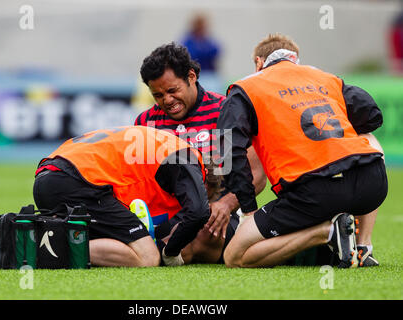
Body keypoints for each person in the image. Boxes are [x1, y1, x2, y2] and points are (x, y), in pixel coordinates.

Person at [218, 33, 388, 268]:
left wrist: (248, 209)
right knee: (367, 138)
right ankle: (362, 247)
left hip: (312, 193)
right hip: (371, 185)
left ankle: (326, 232)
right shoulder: (323, 77)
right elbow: (371, 115)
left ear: (259, 63)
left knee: (234, 257)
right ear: (294, 59)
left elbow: (229, 149)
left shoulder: (246, 87)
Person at [135, 42, 267, 264]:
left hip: (217, 217)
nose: (167, 100)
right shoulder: (146, 122)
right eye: (157, 95)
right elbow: (140, 182)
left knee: (205, 230)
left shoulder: (226, 111)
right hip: (169, 218)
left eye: (172, 90)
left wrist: (226, 204)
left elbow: (257, 175)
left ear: (191, 76)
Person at [33, 126, 221, 267]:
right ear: (203, 182)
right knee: (147, 256)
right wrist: (170, 252)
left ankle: (43, 235)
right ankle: (50, 249)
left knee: (121, 242)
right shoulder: (188, 158)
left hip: (49, 177)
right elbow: (198, 212)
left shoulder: (165, 145)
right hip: (77, 181)